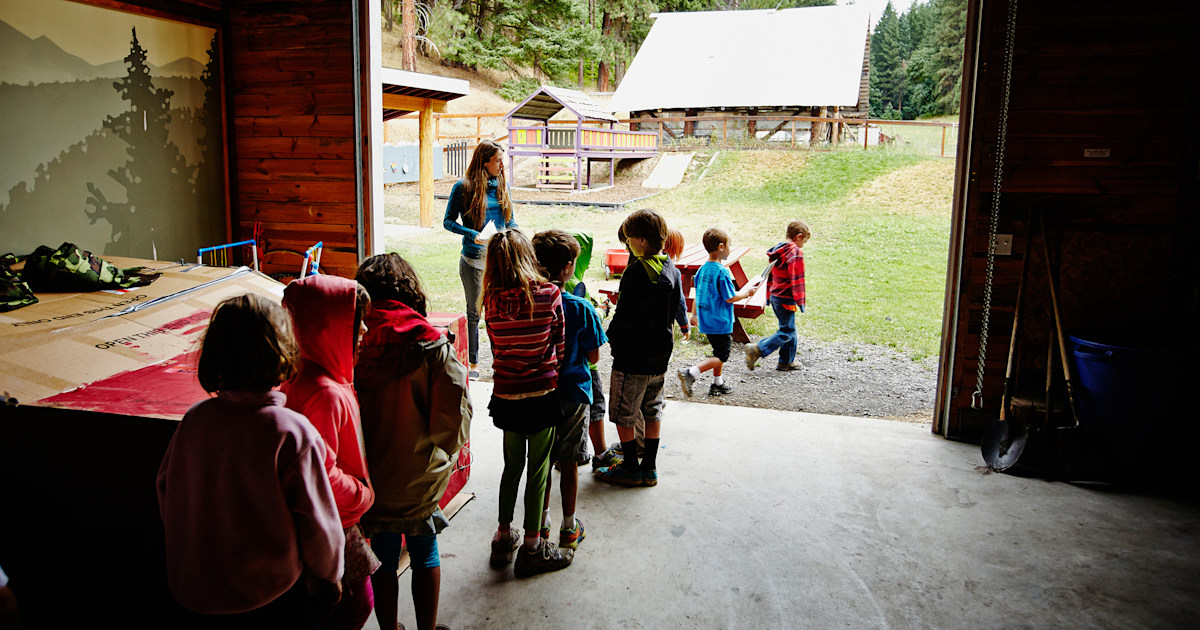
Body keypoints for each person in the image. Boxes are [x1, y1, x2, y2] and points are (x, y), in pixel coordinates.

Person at [157, 293, 344, 629]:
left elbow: (167, 491)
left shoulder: (194, 420)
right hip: (269, 599)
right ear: (283, 353)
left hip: (192, 595)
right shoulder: (292, 432)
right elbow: (319, 527)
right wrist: (331, 577)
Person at [354, 253, 472, 630]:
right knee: (424, 551)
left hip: (368, 480)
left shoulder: (349, 341)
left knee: (383, 557)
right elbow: (452, 424)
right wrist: (445, 456)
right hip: (420, 477)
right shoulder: (432, 345)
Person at [282, 276, 377, 630]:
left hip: (322, 520)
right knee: (356, 604)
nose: (365, 329)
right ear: (328, 328)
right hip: (334, 523)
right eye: (356, 322)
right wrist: (362, 495)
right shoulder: (324, 393)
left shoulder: (304, 374)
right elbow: (321, 473)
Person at [482, 229, 573, 577]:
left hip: (506, 396)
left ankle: (503, 537)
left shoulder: (489, 301)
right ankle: (533, 547)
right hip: (541, 396)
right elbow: (560, 346)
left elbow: (494, 348)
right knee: (538, 472)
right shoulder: (550, 294)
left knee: (511, 467)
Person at [595, 209, 684, 488]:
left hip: (632, 357)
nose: (628, 243)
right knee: (652, 409)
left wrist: (611, 337)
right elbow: (676, 307)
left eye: (630, 238)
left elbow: (625, 315)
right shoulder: (672, 268)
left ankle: (630, 467)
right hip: (660, 356)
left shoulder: (635, 273)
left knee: (625, 413)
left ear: (642, 241)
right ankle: (650, 468)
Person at [532, 230, 608, 551]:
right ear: (567, 268)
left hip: (539, 393)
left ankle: (543, 522)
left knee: (543, 462)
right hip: (575, 394)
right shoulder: (581, 308)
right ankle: (569, 526)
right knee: (570, 462)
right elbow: (594, 356)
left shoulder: (529, 300)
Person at [442, 139, 518, 378]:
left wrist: (518, 236)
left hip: (500, 259)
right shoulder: (463, 187)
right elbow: (448, 222)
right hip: (473, 261)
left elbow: (510, 219)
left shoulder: (501, 183)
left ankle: (501, 362)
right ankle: (474, 364)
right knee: (475, 313)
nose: (502, 165)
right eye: (497, 160)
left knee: (500, 311)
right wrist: (472, 234)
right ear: (484, 162)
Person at [678, 228, 763, 397]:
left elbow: (698, 294)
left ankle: (718, 383)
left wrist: (694, 315)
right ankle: (691, 373)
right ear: (721, 246)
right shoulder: (722, 272)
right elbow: (730, 298)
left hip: (706, 319)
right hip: (720, 320)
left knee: (718, 352)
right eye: (730, 245)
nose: (730, 249)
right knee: (722, 355)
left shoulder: (702, 269)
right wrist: (747, 293)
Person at [745, 220, 810, 371]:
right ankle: (758, 349)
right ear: (798, 237)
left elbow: (771, 276)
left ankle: (786, 361)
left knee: (789, 328)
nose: (803, 245)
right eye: (804, 241)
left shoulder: (778, 249)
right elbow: (797, 277)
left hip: (776, 296)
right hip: (786, 297)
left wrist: (769, 295)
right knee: (788, 331)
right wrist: (800, 301)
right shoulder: (795, 251)